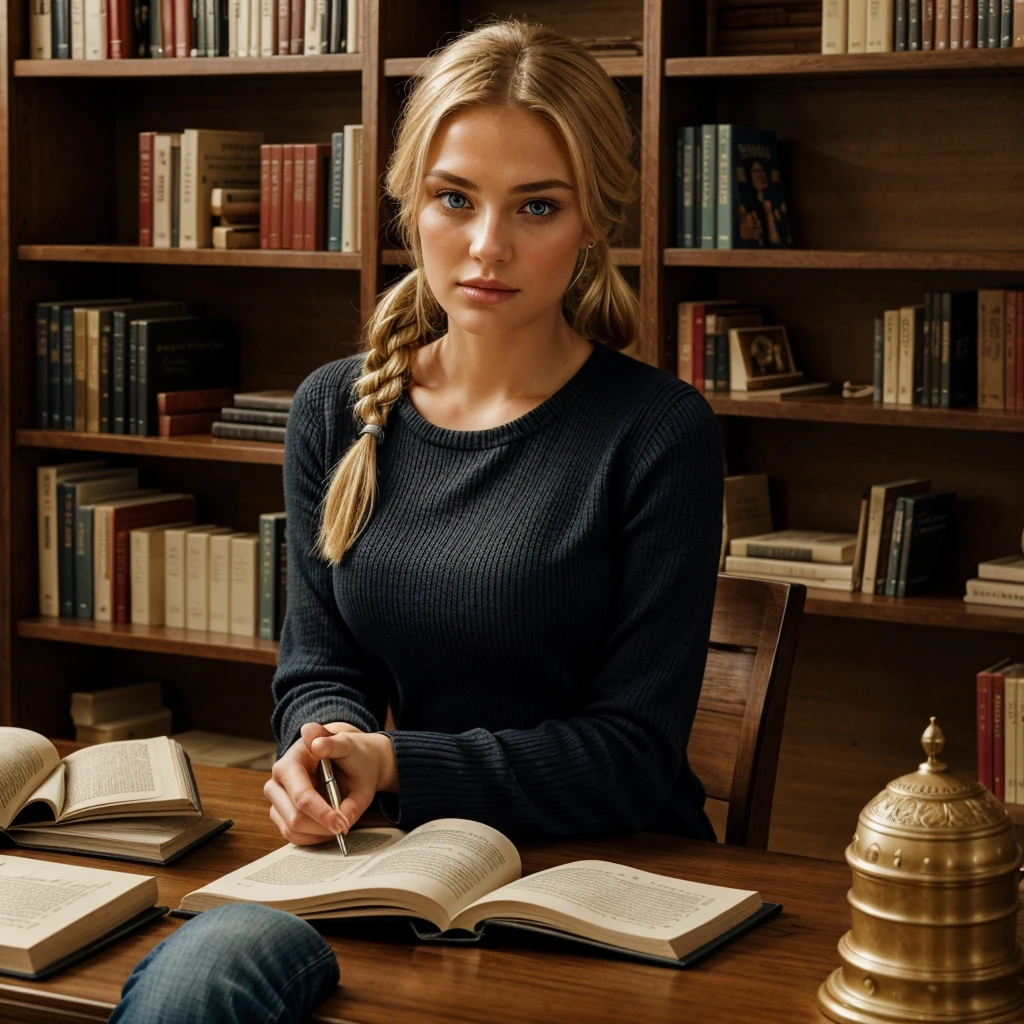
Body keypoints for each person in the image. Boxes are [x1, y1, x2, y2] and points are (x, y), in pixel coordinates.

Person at [110, 18, 723, 1022]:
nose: (488, 246)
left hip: (603, 883)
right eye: (454, 199)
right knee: (197, 981)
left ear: (593, 222)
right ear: (409, 205)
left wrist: (397, 761)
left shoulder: (658, 432)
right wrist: (319, 746)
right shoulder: (333, 408)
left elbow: (633, 754)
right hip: (384, 862)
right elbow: (319, 660)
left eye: (536, 206)